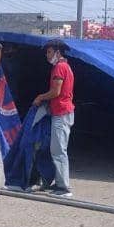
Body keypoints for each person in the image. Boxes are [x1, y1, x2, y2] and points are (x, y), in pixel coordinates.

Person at [32, 39, 75, 198]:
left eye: (49, 52)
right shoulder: (66, 67)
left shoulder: (59, 68)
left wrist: (40, 97)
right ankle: (59, 183)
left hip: (62, 113)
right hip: (62, 112)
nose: (47, 55)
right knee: (57, 149)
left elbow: (55, 92)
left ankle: (64, 188)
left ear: (57, 52)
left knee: (58, 151)